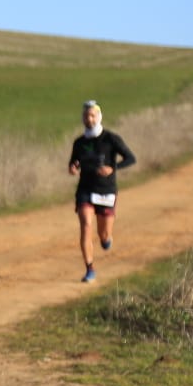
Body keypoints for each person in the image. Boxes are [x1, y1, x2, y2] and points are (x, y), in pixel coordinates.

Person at [68, 100, 135, 283]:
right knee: (86, 225)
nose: (89, 119)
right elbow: (74, 162)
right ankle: (90, 268)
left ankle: (106, 239)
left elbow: (130, 158)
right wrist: (73, 168)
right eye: (86, 116)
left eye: (92, 115)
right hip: (85, 189)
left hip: (106, 190)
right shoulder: (79, 143)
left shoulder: (111, 139)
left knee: (103, 234)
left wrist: (113, 168)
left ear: (99, 117)